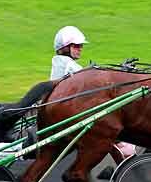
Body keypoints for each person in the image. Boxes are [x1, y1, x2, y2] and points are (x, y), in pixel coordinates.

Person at [50, 26, 136, 164]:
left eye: (81, 46)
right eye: (76, 45)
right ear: (65, 48)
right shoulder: (67, 64)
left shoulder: (63, 62)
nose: (80, 48)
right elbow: (89, 79)